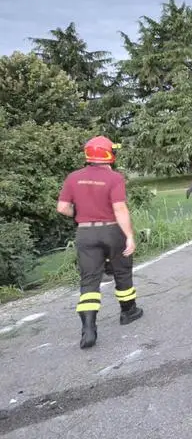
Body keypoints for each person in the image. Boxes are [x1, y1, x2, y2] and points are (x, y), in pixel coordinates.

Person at [57, 136, 143, 349]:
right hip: (112, 230)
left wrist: (80, 214)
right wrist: (130, 235)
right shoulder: (114, 178)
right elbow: (120, 208)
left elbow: (62, 208)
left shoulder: (73, 177)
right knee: (122, 271)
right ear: (108, 154)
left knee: (89, 280)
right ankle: (128, 311)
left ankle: (88, 330)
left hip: (85, 233)